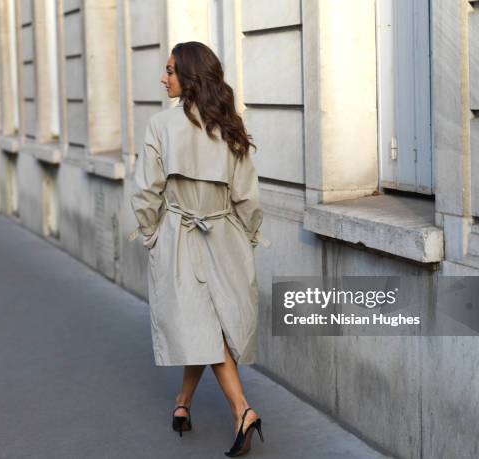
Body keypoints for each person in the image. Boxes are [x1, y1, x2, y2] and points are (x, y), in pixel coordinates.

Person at [129, 41, 268, 457]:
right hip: (225, 234)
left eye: (170, 70)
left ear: (188, 76)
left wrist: (150, 234)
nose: (162, 77)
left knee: (203, 325)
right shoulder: (229, 126)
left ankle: (243, 411)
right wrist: (248, 236)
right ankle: (183, 404)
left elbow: (146, 191)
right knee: (206, 325)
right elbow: (249, 196)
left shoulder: (160, 126)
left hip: (180, 237)